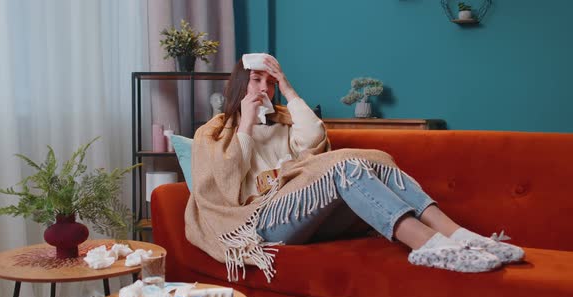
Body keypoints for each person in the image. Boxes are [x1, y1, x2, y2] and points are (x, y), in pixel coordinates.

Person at [185, 54, 525, 283]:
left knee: (372, 159)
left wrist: (288, 89)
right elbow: (225, 181)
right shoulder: (215, 131)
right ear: (239, 85)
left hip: (302, 215)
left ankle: (461, 237)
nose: (264, 89)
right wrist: (244, 124)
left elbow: (315, 142)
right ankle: (428, 246)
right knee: (345, 166)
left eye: (269, 83)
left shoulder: (285, 123)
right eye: (256, 80)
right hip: (260, 223)